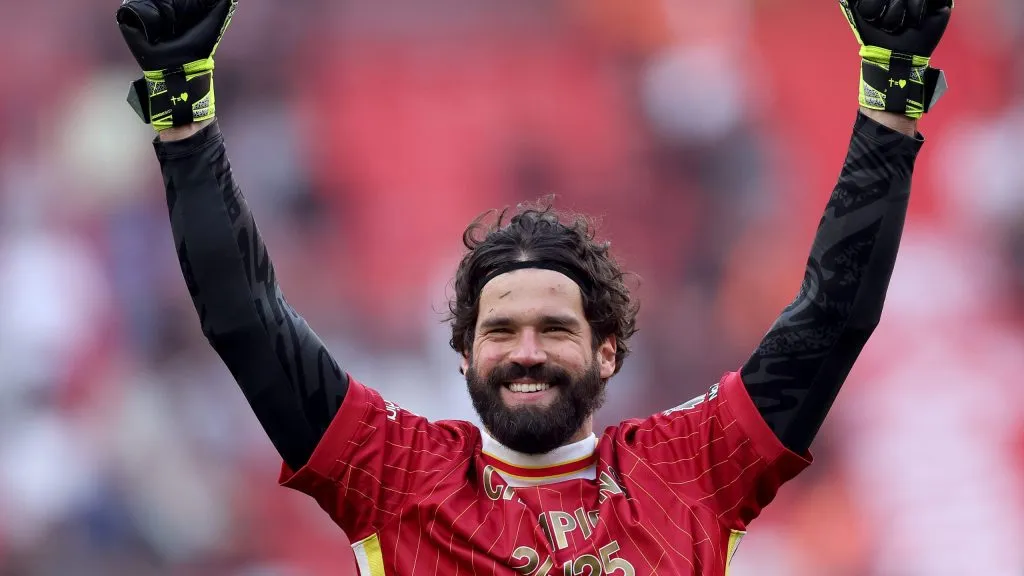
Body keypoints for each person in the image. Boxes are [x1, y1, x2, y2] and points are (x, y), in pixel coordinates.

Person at [114, 0, 953, 573]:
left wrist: (891, 102)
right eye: (500, 329)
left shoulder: (691, 471)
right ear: (465, 353)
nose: (526, 352)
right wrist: (184, 120)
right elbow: (244, 319)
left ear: (607, 350)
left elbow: (833, 315)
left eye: (555, 328)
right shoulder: (398, 478)